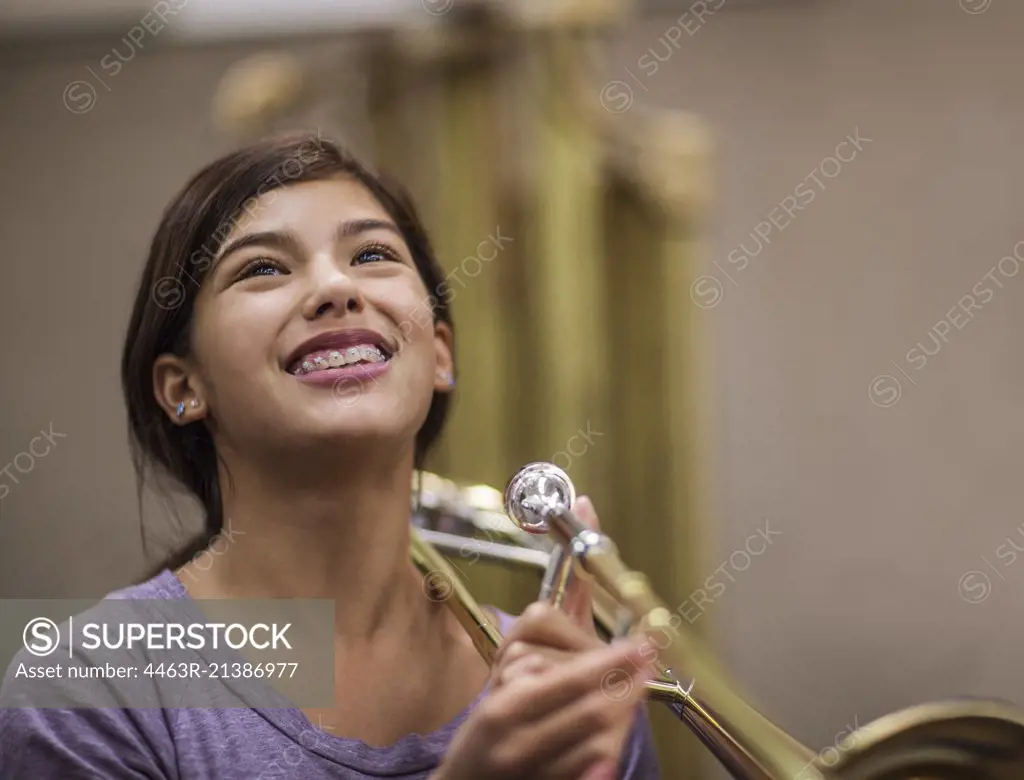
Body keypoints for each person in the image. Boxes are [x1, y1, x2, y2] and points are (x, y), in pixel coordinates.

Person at [0, 133, 662, 780]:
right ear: (184, 388)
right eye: (263, 268)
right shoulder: (86, 683)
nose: (336, 287)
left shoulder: (567, 691)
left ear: (439, 354)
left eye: (372, 254)